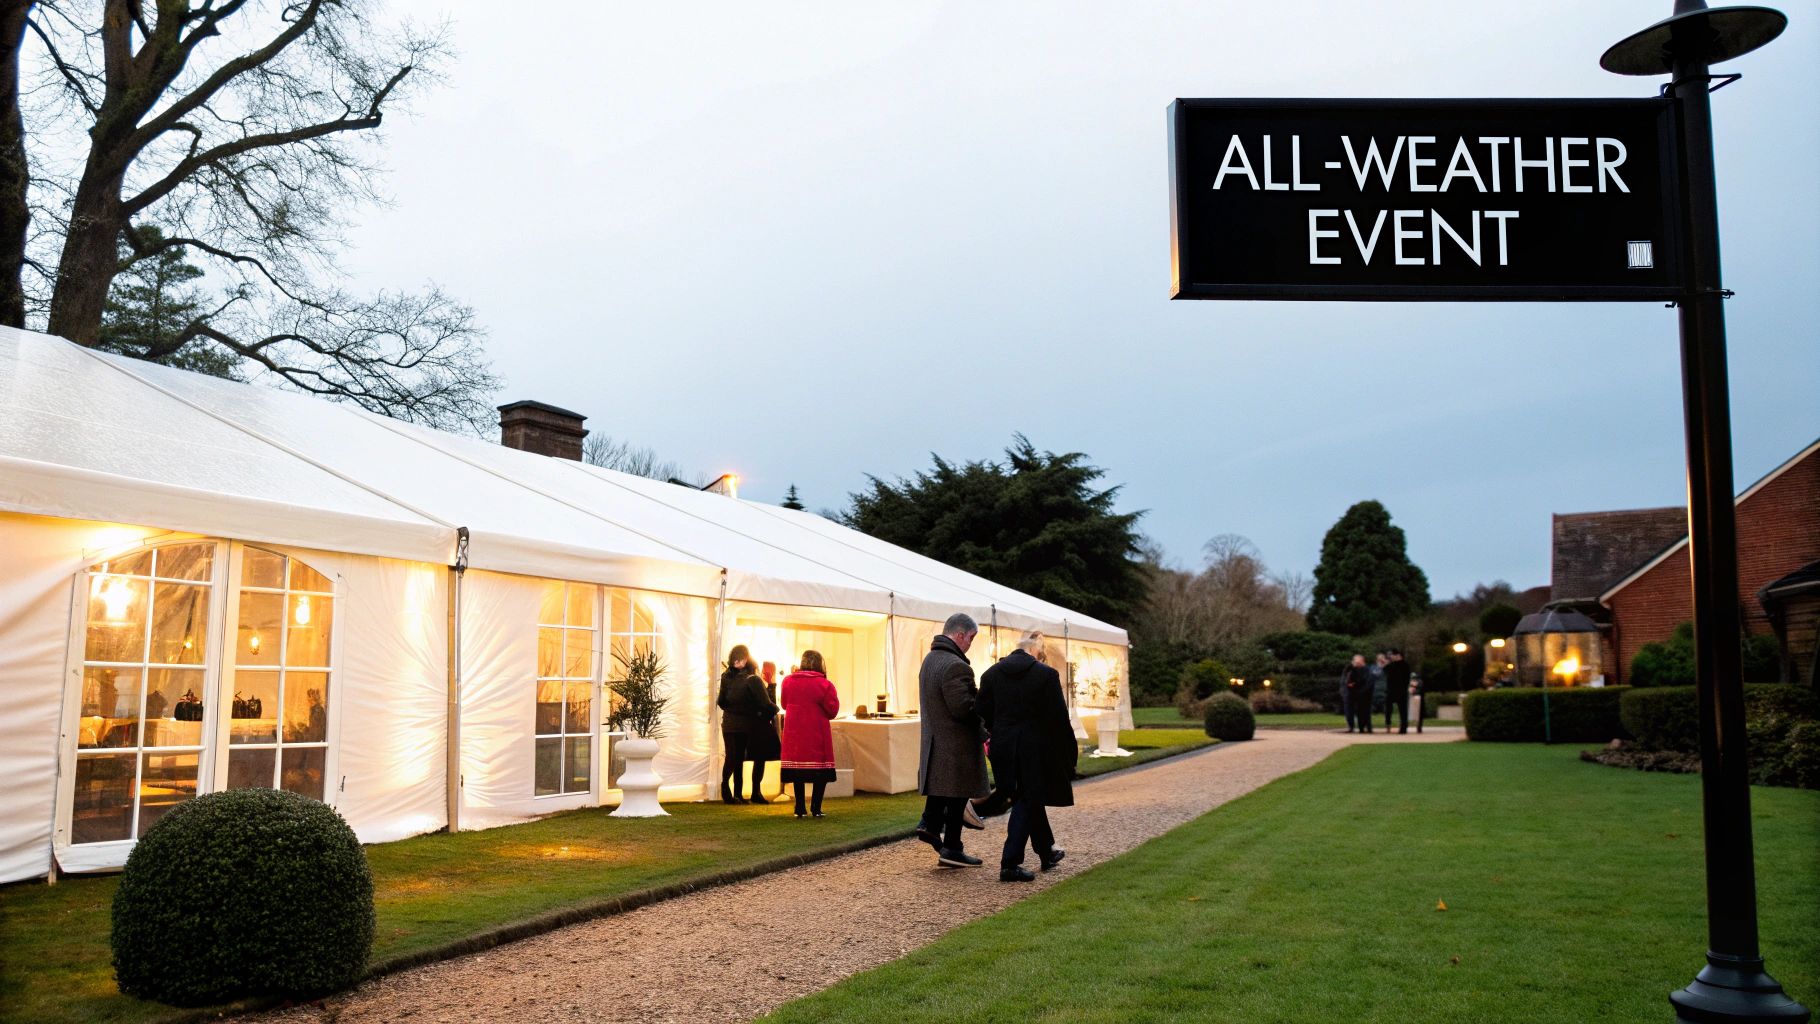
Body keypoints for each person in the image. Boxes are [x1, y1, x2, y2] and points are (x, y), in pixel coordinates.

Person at [978, 632, 1074, 882]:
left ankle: (1046, 851)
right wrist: (1068, 752)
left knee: (1027, 797)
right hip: (1034, 747)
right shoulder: (1046, 676)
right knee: (1028, 798)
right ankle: (1010, 862)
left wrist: (998, 731)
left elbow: (982, 712)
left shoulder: (991, 675)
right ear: (1036, 653)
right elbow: (1059, 719)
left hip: (1003, 747)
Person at [914, 613, 990, 867]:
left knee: (951, 796)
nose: (970, 644)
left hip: (938, 743)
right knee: (958, 797)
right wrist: (983, 708)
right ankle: (950, 846)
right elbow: (963, 708)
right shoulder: (957, 665)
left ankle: (940, 834)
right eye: (971, 638)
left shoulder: (930, 660)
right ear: (959, 635)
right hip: (955, 745)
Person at [780, 650, 840, 818]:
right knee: (819, 771)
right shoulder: (824, 684)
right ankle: (816, 808)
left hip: (794, 732)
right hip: (816, 731)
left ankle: (799, 808)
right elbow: (832, 710)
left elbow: (784, 704)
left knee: (797, 771)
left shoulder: (788, 682)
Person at [717, 646, 777, 804]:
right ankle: (746, 792)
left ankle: (732, 792)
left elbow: (721, 702)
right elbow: (767, 704)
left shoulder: (726, 676)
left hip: (729, 722)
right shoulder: (752, 679)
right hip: (747, 723)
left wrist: (732, 709)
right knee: (751, 757)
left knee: (734, 758)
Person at [1341, 654, 1374, 734]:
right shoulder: (1349, 669)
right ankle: (1351, 726)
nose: (1356, 664)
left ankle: (1364, 727)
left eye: (1358, 662)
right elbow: (1344, 681)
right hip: (1350, 694)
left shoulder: (1367, 670)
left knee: (1364, 711)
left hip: (1363, 695)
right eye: (1355, 662)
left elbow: (1368, 683)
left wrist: (1361, 692)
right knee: (1349, 711)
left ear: (1363, 662)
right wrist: (1344, 690)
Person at [1384, 648, 1413, 734]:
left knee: (1403, 710)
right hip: (1391, 690)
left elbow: (1405, 679)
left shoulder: (1404, 665)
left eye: (1392, 655)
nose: (1391, 657)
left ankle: (1403, 727)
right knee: (1388, 709)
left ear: (1397, 656)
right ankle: (1388, 723)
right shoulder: (1391, 665)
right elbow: (1385, 671)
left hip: (1401, 691)